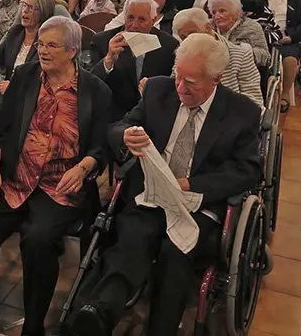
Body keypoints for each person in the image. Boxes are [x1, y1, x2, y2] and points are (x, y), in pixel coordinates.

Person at [67, 33, 262, 336]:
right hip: (151, 194)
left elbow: (248, 170)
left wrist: (192, 184)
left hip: (196, 204)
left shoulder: (241, 112)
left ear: (216, 79)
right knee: (132, 236)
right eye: (178, 77)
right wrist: (125, 136)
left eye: (191, 83)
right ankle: (100, 311)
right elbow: (118, 126)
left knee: (176, 253)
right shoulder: (159, 90)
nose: (181, 88)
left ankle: (161, 329)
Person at [0, 17, 111, 336]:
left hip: (59, 184)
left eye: (52, 45)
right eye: (41, 43)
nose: (42, 50)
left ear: (73, 51)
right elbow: (0, 131)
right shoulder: (26, 76)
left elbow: (100, 147)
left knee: (39, 240)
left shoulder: (95, 90)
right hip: (15, 175)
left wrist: (82, 168)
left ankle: (34, 326)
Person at [91, 0, 179, 120]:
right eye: (130, 18)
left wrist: (154, 87)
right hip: (113, 116)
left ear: (153, 20)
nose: (134, 25)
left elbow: (172, 88)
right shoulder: (103, 41)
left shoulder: (168, 45)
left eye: (141, 19)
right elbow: (90, 84)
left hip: (152, 116)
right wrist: (109, 60)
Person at [173, 8, 263, 107]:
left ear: (208, 27)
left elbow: (254, 100)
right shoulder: (183, 52)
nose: (188, 40)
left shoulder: (241, 54)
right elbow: (174, 92)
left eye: (191, 34)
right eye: (183, 37)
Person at [0, 0, 55, 88]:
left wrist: (13, 86)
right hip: (4, 88)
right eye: (24, 5)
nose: (25, 10)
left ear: (43, 12)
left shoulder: (48, 42)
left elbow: (41, 78)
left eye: (31, 7)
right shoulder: (16, 32)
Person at [266, 0, 301, 111]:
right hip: (266, 38)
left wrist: (290, 38)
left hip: (288, 38)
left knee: (290, 60)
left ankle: (285, 95)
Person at [209, 0, 270, 67]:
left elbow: (265, 57)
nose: (217, 16)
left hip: (243, 72)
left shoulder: (251, 27)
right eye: (214, 12)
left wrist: (238, 52)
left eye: (222, 11)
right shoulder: (208, 26)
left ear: (236, 12)